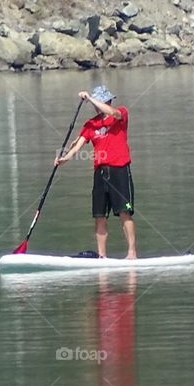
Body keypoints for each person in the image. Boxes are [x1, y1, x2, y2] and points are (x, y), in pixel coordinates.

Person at [55, 85, 137, 259]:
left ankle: (132, 253)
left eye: (100, 101)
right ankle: (102, 256)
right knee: (99, 215)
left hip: (120, 170)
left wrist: (91, 98)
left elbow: (112, 113)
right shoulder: (90, 125)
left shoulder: (121, 113)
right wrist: (64, 159)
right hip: (100, 173)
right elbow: (76, 147)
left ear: (107, 100)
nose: (95, 106)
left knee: (125, 212)